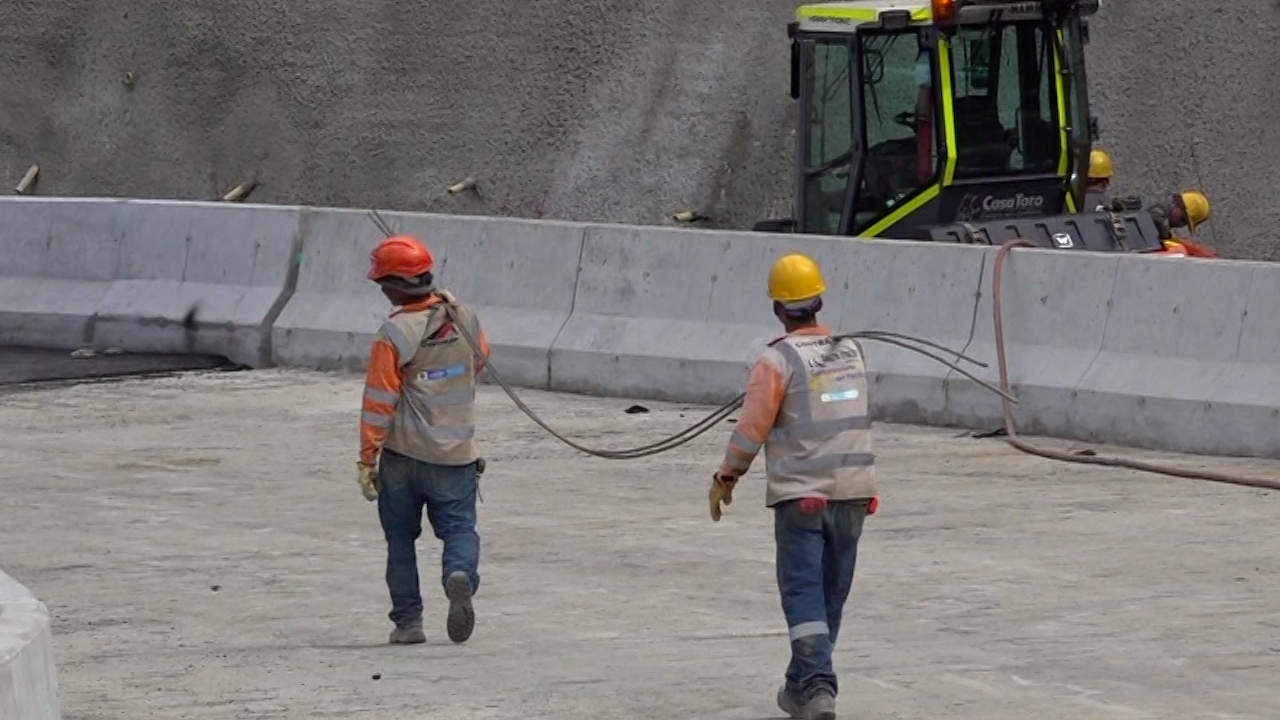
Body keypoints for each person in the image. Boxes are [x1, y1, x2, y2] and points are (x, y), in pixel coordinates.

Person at [709, 253, 880, 720]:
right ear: (819, 300)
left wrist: (727, 475)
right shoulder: (854, 352)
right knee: (829, 597)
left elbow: (752, 427)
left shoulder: (776, 359)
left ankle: (820, 687)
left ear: (778, 309)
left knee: (804, 597)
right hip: (854, 494)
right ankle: (798, 689)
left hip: (803, 497)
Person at [357, 233, 491, 645]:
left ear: (396, 285)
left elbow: (379, 401)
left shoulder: (394, 333)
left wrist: (366, 459)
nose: (381, 290)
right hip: (455, 458)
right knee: (460, 530)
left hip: (402, 458)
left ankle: (409, 623)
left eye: (382, 283)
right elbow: (480, 361)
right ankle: (459, 574)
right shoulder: (464, 318)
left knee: (400, 541)